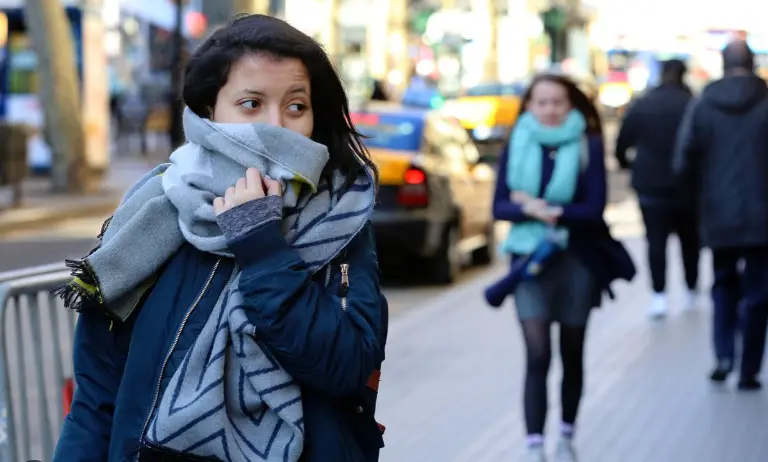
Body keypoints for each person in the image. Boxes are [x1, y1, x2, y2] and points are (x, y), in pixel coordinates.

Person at [53, 14, 388, 462]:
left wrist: (262, 245)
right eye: (251, 104)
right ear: (210, 111)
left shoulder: (341, 222)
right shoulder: (151, 213)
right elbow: (96, 397)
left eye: (295, 107)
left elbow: (345, 366)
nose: (276, 127)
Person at [493, 74, 635, 462]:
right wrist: (527, 208)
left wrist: (542, 209)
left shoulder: (587, 143)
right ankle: (534, 445)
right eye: (542, 102)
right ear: (529, 106)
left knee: (572, 352)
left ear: (571, 105)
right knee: (538, 355)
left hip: (576, 260)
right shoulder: (517, 141)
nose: (550, 110)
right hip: (529, 261)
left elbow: (594, 208)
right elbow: (499, 205)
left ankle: (567, 435)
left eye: (558, 102)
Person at [674, 40, 768, 391]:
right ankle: (749, 369)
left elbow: (683, 162)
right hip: (762, 216)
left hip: (718, 213)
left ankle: (724, 356)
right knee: (759, 292)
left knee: (723, 283)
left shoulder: (703, 106)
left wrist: (698, 202)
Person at [615, 59, 700, 318]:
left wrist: (627, 164)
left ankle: (658, 294)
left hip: (651, 185)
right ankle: (691, 289)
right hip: (687, 185)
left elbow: (622, 142)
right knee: (690, 240)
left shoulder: (644, 104)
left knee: (655, 241)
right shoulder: (693, 105)